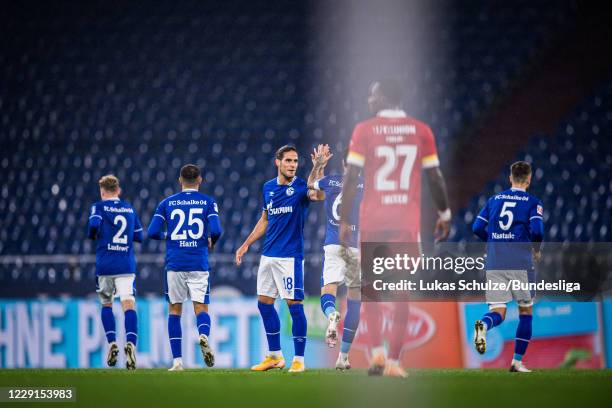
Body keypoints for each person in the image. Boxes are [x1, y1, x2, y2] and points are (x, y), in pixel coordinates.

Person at [339, 79, 451, 377]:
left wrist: (345, 219)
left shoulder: (364, 130)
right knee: (401, 291)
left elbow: (351, 177)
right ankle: (394, 362)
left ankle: (376, 353)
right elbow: (435, 177)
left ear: (386, 97)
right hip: (404, 224)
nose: (369, 99)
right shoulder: (421, 130)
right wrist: (445, 212)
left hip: (373, 222)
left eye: (373, 94)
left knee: (371, 290)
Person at [235, 145, 325, 373]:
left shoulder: (300, 187)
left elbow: (318, 193)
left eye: (295, 161)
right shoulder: (268, 188)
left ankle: (299, 360)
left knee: (294, 307)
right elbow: (265, 219)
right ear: (278, 162)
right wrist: (246, 243)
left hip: (290, 258)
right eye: (288, 161)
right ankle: (275, 356)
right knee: (264, 305)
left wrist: (318, 167)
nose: (293, 165)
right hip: (268, 256)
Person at [148, 164, 222, 371]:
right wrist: (210, 240)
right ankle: (204, 335)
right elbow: (217, 229)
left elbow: (152, 232)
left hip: (175, 263)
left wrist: (168, 236)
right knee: (201, 308)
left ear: (180, 180)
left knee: (174, 311)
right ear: (200, 180)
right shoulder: (208, 202)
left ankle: (177, 362)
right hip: (198, 262)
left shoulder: (166, 203)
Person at [472, 161, 544, 373]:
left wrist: (493, 242)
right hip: (520, 263)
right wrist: (536, 250)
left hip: (495, 262)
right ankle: (516, 362)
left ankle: (483, 326)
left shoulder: (494, 200)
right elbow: (538, 231)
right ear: (529, 180)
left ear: (510, 178)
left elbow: (477, 227)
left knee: (498, 312)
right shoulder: (533, 202)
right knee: (525, 312)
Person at [307, 147, 364, 371]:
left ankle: (331, 315)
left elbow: (311, 190)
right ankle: (343, 357)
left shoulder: (331, 181)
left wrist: (317, 165)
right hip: (355, 249)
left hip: (332, 246)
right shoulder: (366, 186)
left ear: (342, 164)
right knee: (355, 303)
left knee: (327, 293)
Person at [87, 174, 142, 370]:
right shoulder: (129, 209)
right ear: (118, 190)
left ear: (102, 191)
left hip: (105, 265)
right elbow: (139, 236)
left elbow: (93, 227)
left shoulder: (98, 207)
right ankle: (131, 345)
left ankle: (112, 343)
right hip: (126, 265)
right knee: (129, 305)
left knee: (107, 305)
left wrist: (96, 234)